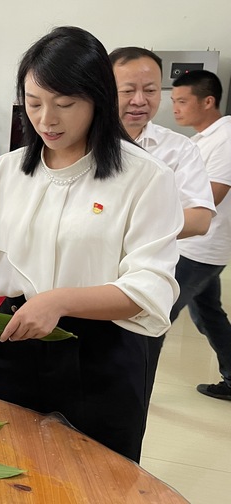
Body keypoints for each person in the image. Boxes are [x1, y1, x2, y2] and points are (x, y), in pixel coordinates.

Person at [0, 26, 181, 462]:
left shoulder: (145, 177)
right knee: (13, 460)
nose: (46, 119)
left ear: (98, 100)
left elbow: (149, 288)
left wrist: (59, 302)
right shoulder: (8, 171)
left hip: (101, 351)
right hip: (15, 339)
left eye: (64, 105)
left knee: (97, 471)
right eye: (34, 104)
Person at [110, 46, 215, 406]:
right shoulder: (82, 144)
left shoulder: (178, 150)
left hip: (143, 286)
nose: (140, 100)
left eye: (151, 90)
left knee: (129, 385)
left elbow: (200, 218)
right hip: (84, 286)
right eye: (128, 90)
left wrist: (125, 227)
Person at [171, 69, 231, 401]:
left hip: (199, 249)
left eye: (182, 101)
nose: (176, 108)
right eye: (173, 101)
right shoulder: (199, 140)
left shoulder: (225, 139)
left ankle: (132, 386)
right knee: (208, 313)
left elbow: (212, 196)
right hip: (201, 249)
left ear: (208, 101)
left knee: (156, 317)